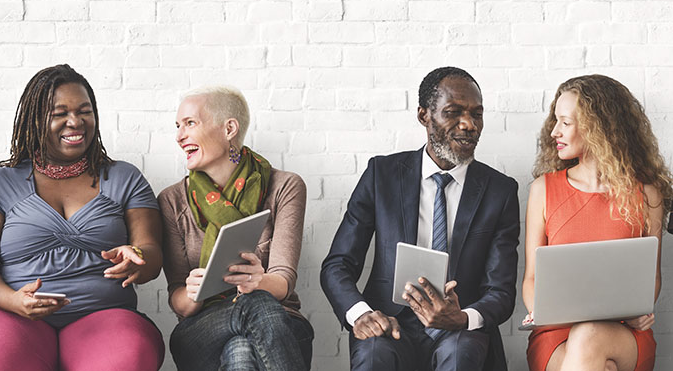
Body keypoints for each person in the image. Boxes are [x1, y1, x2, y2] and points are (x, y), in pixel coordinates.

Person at [320, 67, 520, 371]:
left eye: (477, 114)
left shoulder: (500, 191)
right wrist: (361, 314)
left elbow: (501, 291)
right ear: (424, 115)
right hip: (390, 322)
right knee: (374, 356)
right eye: (453, 112)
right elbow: (337, 265)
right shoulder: (381, 175)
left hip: (458, 328)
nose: (468, 124)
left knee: (460, 356)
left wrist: (464, 318)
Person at [0, 64, 165, 370]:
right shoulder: (0, 183)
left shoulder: (124, 177)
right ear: (35, 119)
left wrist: (138, 256)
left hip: (104, 314)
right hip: (12, 315)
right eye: (59, 113)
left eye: (84, 111)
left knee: (129, 357)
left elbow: (153, 254)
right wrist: (13, 301)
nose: (74, 122)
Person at [522, 74, 672, 371]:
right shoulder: (543, 189)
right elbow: (531, 278)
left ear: (598, 127)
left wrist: (638, 311)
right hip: (556, 334)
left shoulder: (647, 194)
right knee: (595, 356)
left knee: (590, 337)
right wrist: (538, 308)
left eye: (566, 122)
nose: (554, 132)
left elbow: (650, 279)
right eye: (556, 121)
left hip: (624, 331)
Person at [158, 86, 314, 371]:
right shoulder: (172, 200)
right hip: (201, 329)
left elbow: (282, 281)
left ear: (229, 128)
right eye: (178, 126)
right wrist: (193, 292)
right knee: (254, 307)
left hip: (280, 322)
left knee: (241, 348)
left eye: (190, 123)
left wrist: (259, 282)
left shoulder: (285, 187)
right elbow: (178, 301)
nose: (179, 136)